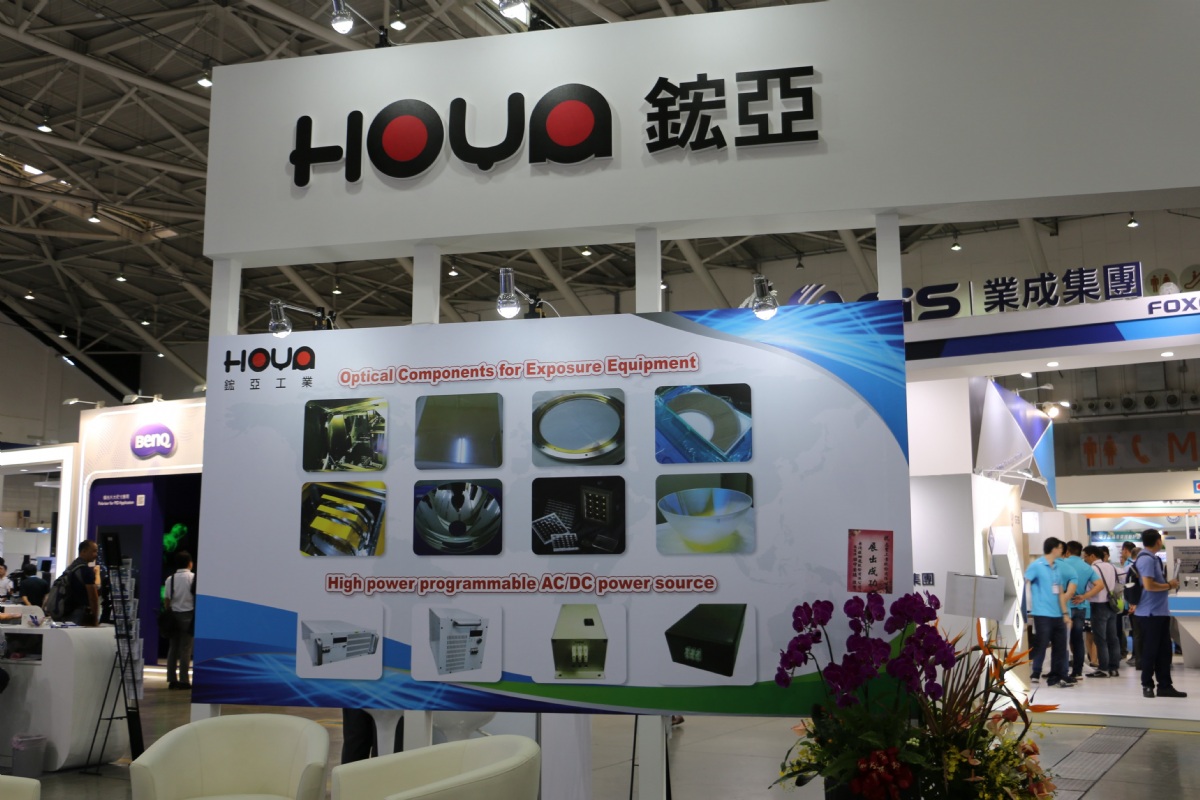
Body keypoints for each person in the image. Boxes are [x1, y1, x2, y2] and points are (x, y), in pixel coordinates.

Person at [1134, 530, 1185, 698]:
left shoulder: (1153, 558)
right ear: (1157, 541)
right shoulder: (1146, 559)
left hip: (1159, 612)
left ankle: (1164, 685)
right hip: (1150, 614)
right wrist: (1169, 585)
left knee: (1164, 652)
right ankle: (1147, 685)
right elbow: (1149, 585)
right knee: (1150, 651)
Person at [1024, 537, 1074, 688]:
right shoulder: (1036, 566)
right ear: (1054, 549)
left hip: (1058, 615)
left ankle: (1056, 678)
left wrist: (1065, 614)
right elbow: (1023, 584)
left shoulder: (1056, 567)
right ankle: (1034, 671)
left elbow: (1060, 591)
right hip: (1042, 614)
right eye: (1060, 548)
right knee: (1041, 644)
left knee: (1060, 647)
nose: (1062, 551)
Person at [1076, 546, 1121, 678]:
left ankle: (1103, 668)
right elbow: (1122, 580)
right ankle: (1114, 668)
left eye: (1085, 556)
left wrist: (1084, 596)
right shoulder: (1112, 567)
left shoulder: (1093, 569)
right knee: (1113, 638)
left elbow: (1093, 587)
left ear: (1092, 556)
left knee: (1100, 638)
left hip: (1098, 606)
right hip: (1112, 605)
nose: (1085, 559)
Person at [163, 551, 196, 690]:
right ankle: (184, 680)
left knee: (173, 648)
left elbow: (167, 600)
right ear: (190, 563)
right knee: (186, 649)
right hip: (189, 615)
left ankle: (172, 680)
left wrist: (168, 612)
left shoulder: (170, 579)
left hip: (174, 616)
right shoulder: (193, 578)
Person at [1059, 540, 1091, 680]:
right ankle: (1077, 671)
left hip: (1065, 607)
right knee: (1078, 640)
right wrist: (1084, 596)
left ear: (1067, 551)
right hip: (1081, 606)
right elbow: (1099, 585)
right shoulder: (1087, 567)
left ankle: (1060, 671)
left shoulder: (1063, 564)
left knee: (1062, 640)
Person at [62, 540, 100, 626]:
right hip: (78, 613)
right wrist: (95, 618)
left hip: (65, 612)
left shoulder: (71, 568)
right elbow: (92, 597)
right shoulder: (86, 571)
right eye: (94, 551)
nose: (96, 555)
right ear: (84, 551)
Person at [1122, 541, 1143, 666]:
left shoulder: (1131, 566)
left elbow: (1129, 586)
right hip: (1139, 604)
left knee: (1136, 632)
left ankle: (1137, 657)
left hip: (1133, 604)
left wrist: (1131, 603)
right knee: (1137, 632)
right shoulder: (1136, 567)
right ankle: (1138, 657)